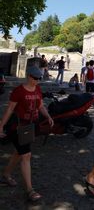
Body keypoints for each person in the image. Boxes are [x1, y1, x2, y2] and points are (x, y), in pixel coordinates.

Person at [0, 65, 54, 202]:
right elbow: (9, 110)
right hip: (19, 126)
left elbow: (40, 105)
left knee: (19, 152)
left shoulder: (38, 89)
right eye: (35, 78)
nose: (37, 80)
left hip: (31, 126)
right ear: (29, 76)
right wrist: (1, 126)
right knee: (26, 155)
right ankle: (30, 190)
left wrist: (48, 116)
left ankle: (6, 174)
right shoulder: (18, 91)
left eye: (39, 78)